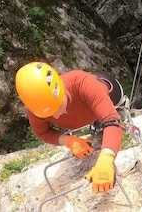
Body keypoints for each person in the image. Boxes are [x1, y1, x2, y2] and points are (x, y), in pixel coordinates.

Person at [15, 62, 125, 193]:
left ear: (61, 88)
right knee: (98, 124)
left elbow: (112, 120)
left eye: (57, 107)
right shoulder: (37, 107)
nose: (55, 116)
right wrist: (68, 141)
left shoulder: (82, 83)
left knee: (114, 117)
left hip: (109, 93)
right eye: (48, 114)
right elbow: (42, 132)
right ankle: (95, 122)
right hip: (87, 111)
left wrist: (106, 160)